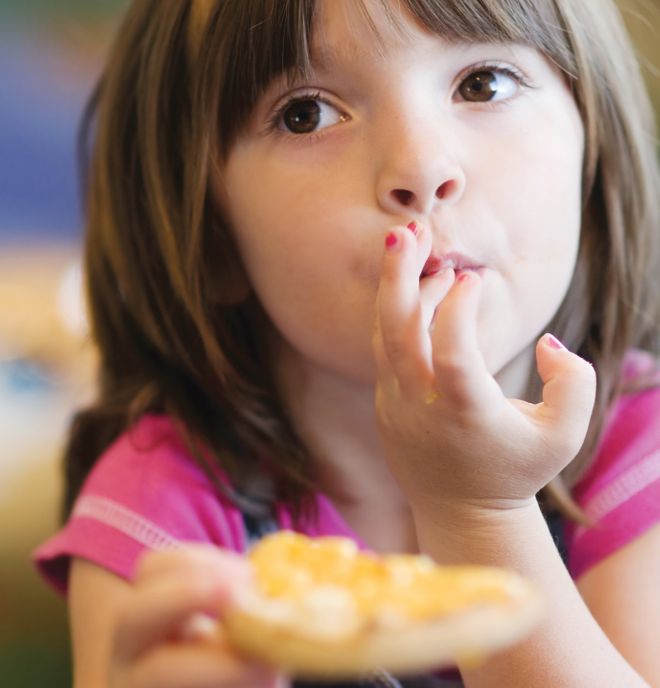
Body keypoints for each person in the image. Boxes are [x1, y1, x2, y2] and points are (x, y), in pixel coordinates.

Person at [34, 0, 660, 686]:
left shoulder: (638, 446)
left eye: (483, 83)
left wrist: (478, 512)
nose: (421, 167)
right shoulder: (159, 511)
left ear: (592, 150)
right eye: (307, 113)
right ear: (212, 237)